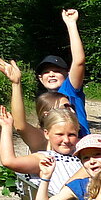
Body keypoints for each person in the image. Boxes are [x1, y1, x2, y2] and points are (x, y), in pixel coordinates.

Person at [0, 105, 81, 194]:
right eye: (59, 134)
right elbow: (8, 161)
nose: (66, 140)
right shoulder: (45, 159)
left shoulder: (85, 155)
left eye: (71, 135)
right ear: (47, 134)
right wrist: (6, 126)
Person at [0, 56, 71, 149]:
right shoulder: (43, 139)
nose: (71, 110)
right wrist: (16, 84)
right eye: (65, 107)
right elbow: (20, 124)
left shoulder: (76, 138)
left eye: (57, 71)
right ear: (46, 114)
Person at [33, 9, 90, 137]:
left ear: (67, 74)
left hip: (81, 149)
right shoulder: (44, 101)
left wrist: (71, 24)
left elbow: (79, 61)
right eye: (46, 72)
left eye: (57, 71)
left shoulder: (70, 90)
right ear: (41, 79)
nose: (51, 74)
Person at [33, 134, 101, 200]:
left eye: (97, 154)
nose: (92, 161)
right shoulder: (81, 186)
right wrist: (46, 176)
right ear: (81, 162)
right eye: (86, 158)